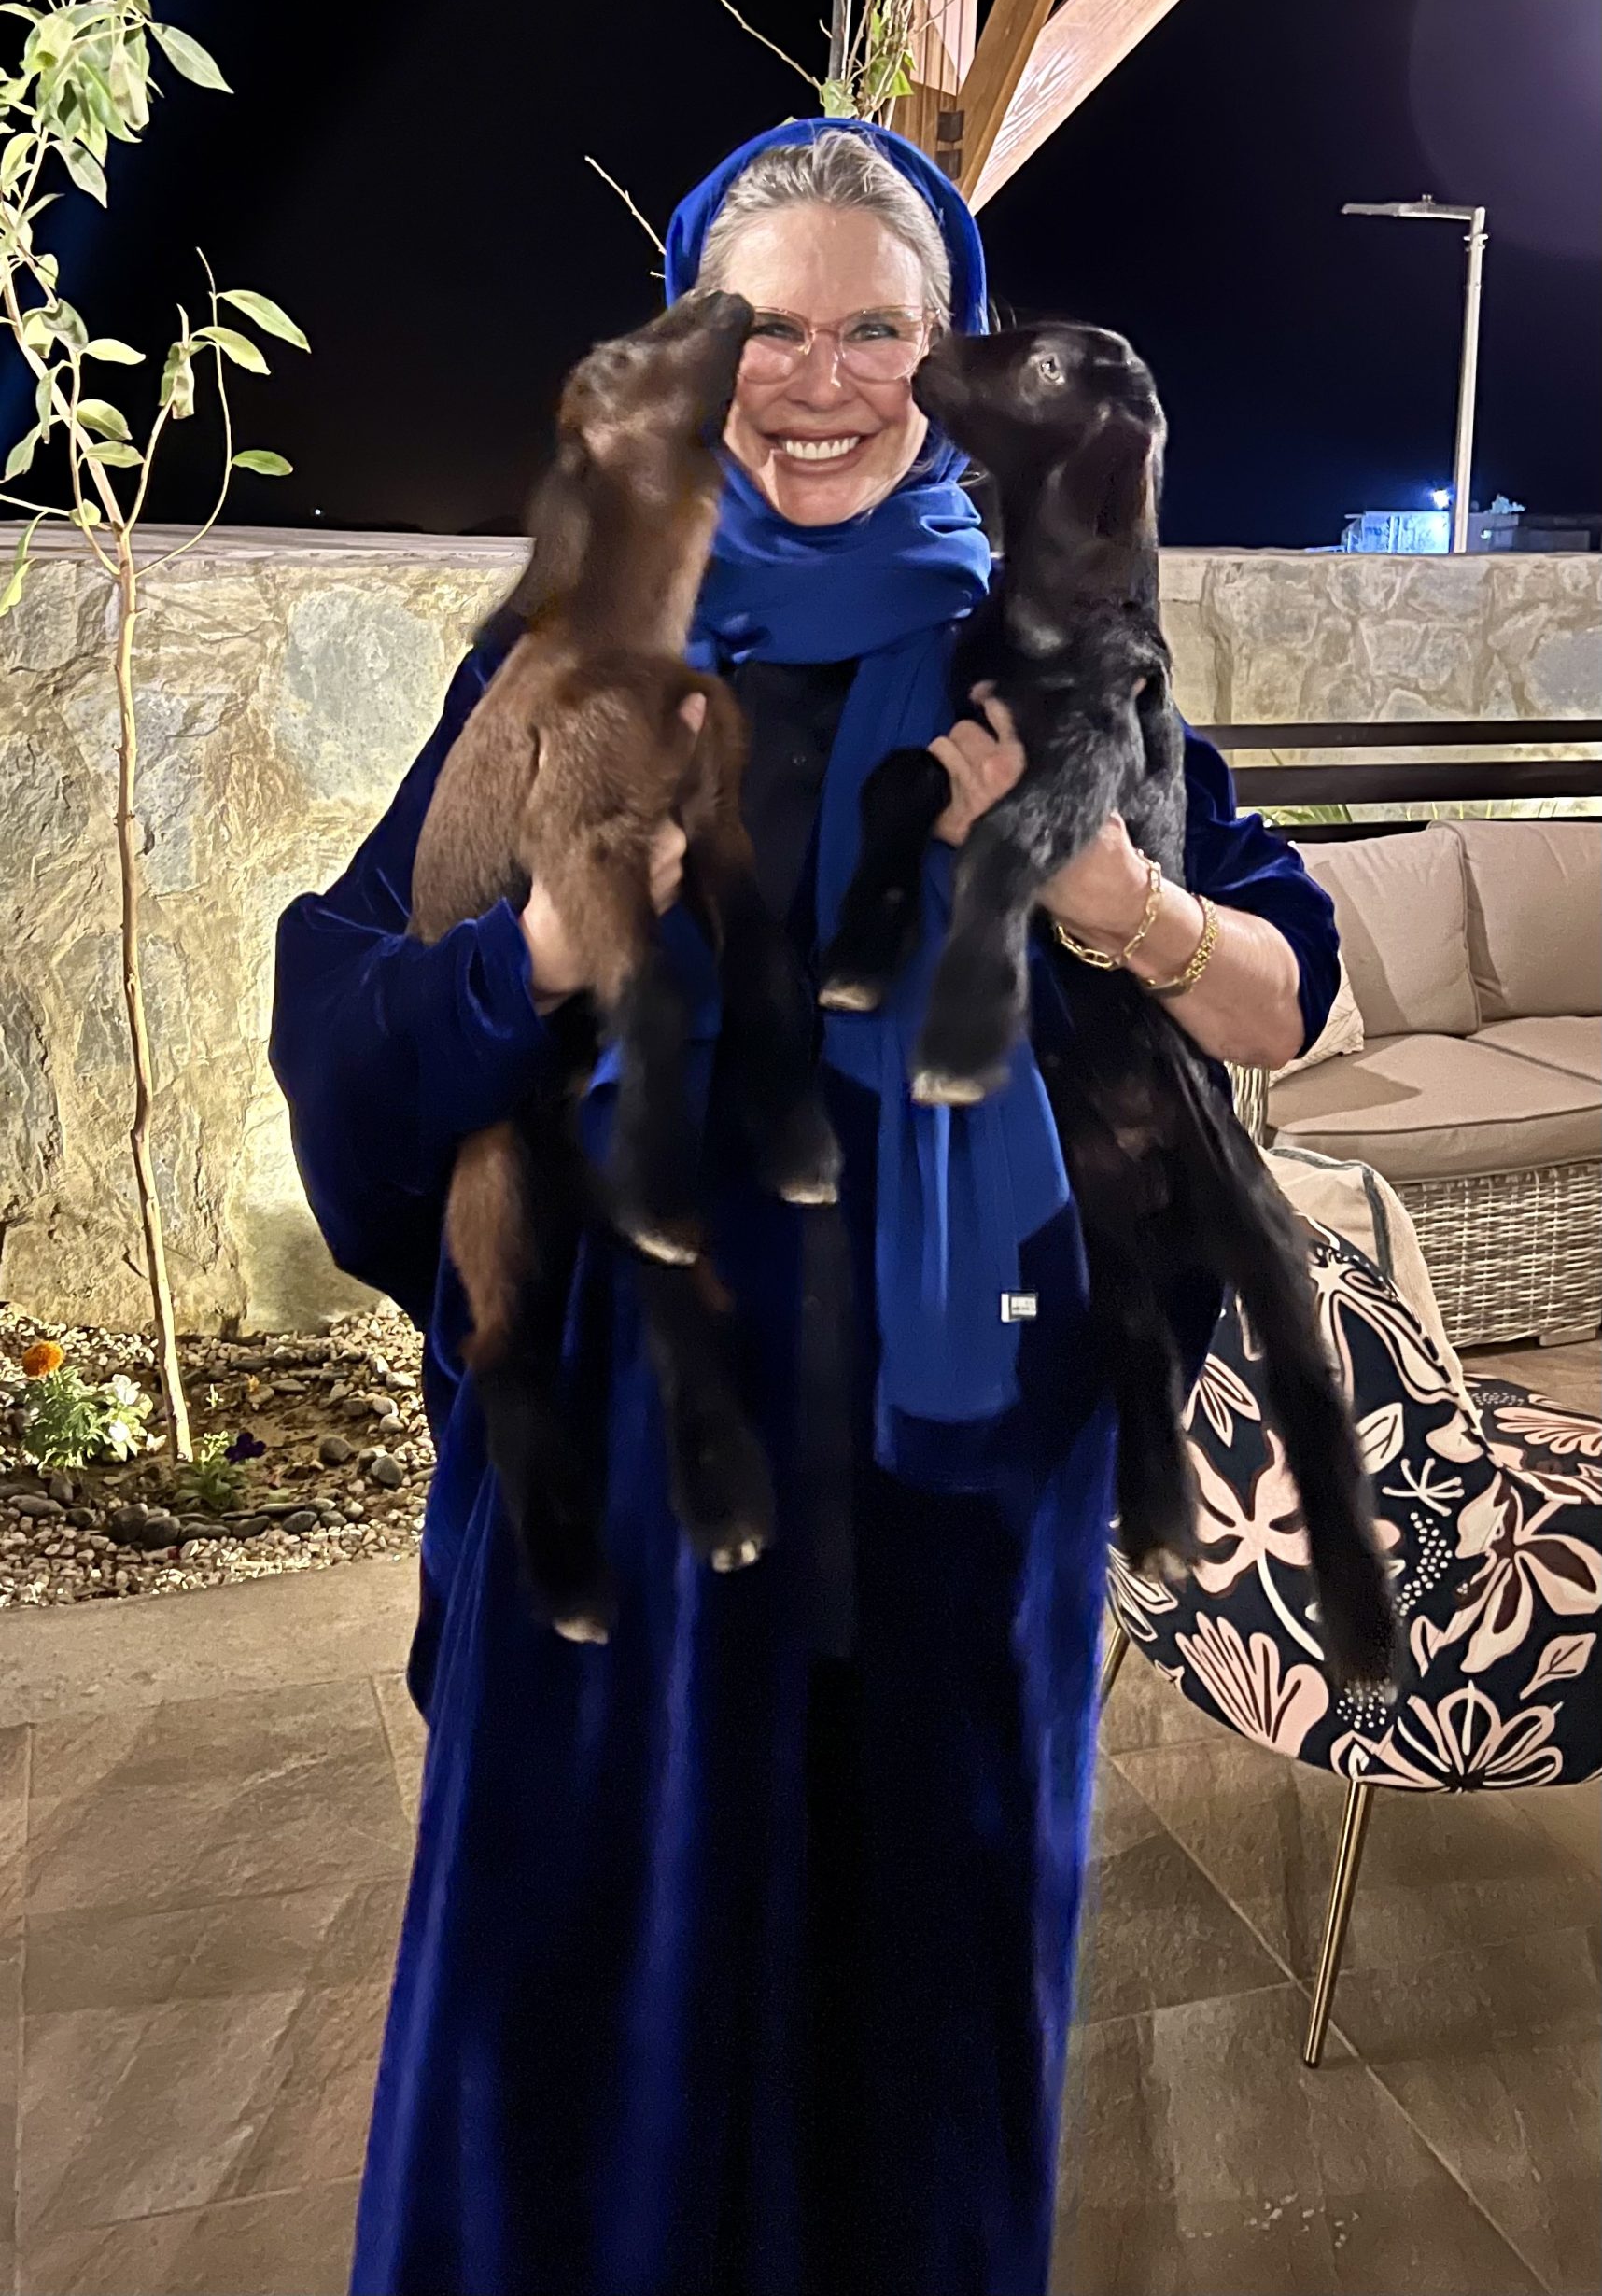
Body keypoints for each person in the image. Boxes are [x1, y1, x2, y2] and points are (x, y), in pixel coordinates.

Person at [270, 119, 1340, 2296]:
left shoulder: (1060, 658)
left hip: (959, 1489)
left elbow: (1282, 987)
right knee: (580, 2040)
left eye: (881, 326)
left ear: (948, 360)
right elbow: (348, 1032)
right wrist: (539, 964)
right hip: (630, 1488)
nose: (823, 375)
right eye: (771, 326)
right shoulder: (566, 666)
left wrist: (1120, 899)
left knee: (916, 2055)